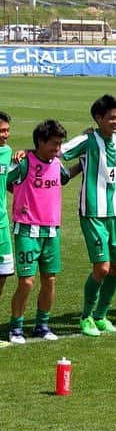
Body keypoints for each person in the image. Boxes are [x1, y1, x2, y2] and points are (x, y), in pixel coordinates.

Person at [62, 94, 116, 338]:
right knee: (102, 267)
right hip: (92, 212)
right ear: (99, 118)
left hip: (114, 212)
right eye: (112, 118)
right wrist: (27, 152)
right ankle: (86, 316)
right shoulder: (88, 140)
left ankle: (101, 315)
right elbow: (58, 151)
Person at [7, 120, 70, 344]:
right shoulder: (24, 163)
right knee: (26, 282)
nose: (57, 148)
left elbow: (64, 177)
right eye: (54, 144)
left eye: (60, 144)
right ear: (40, 142)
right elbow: (7, 181)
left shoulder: (57, 163)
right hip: (26, 229)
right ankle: (16, 327)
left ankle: (42, 325)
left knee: (49, 280)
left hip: (52, 230)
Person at [0, 112, 13, 348]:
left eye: (7, 130)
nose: (6, 134)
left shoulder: (8, 152)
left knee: (2, 275)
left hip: (2, 224)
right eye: (2, 131)